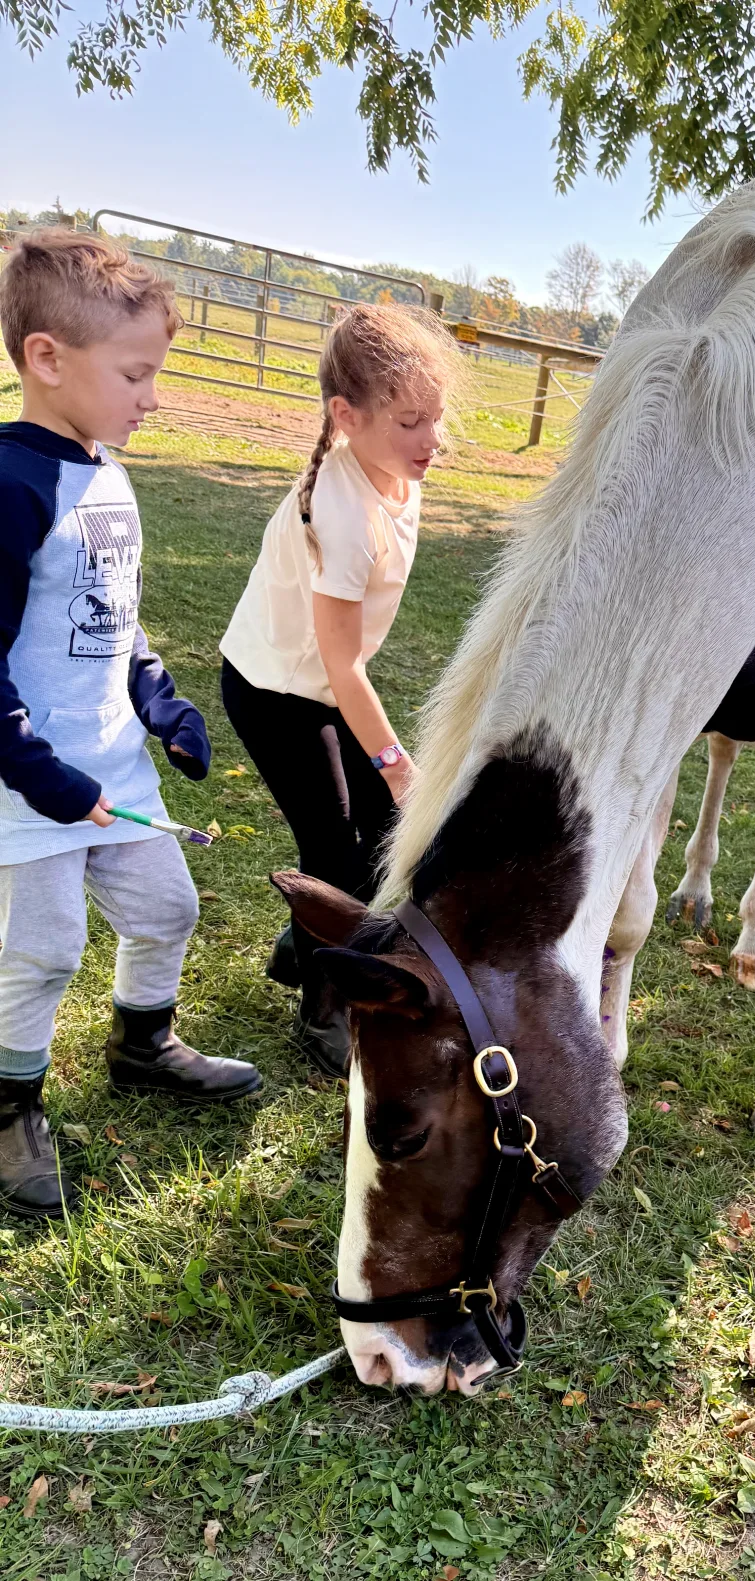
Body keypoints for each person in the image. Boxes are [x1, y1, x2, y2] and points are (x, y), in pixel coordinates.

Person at [0, 230, 263, 1218]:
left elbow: (115, 616)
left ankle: (143, 1045)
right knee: (45, 950)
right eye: (134, 373)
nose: (152, 396)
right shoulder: (11, 486)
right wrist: (40, 774)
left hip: (114, 768)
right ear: (47, 358)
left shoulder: (107, 469)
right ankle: (10, 1105)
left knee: (168, 910)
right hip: (30, 782)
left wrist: (160, 697)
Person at [219, 303, 456, 1076]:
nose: (432, 439)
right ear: (346, 418)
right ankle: (320, 1009)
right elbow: (343, 664)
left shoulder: (395, 471)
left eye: (436, 417)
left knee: (387, 834)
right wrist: (397, 764)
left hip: (325, 686)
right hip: (274, 692)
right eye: (410, 422)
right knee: (336, 850)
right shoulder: (343, 512)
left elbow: (345, 669)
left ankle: (300, 946)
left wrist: (394, 782)